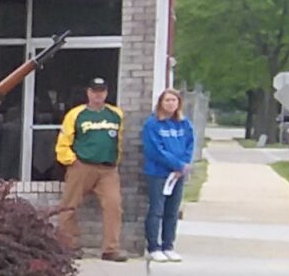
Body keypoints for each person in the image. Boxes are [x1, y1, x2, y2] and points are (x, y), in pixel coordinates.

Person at [55, 76, 129, 261]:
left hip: (108, 169)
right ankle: (69, 245)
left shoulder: (115, 114)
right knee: (69, 205)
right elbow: (64, 141)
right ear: (88, 93)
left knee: (114, 206)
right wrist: (71, 160)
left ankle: (110, 249)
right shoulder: (76, 114)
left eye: (102, 91)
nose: (98, 95)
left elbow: (118, 140)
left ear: (106, 93)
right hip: (82, 166)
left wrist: (116, 159)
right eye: (94, 91)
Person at [142, 88, 195, 261]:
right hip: (158, 173)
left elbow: (189, 144)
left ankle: (168, 245)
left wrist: (183, 166)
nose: (171, 103)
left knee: (172, 210)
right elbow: (155, 150)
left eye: (174, 100)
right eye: (167, 100)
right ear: (160, 103)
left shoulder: (184, 123)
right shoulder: (153, 124)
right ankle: (153, 246)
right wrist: (176, 164)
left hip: (177, 175)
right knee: (157, 209)